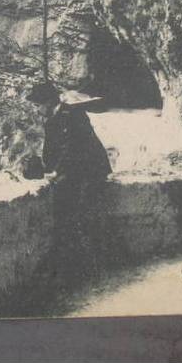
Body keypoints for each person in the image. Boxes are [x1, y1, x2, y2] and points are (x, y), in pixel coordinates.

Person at [25, 81, 112, 283]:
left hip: (90, 173)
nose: (37, 109)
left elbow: (73, 148)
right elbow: (55, 151)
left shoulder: (70, 115)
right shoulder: (56, 118)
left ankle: (84, 269)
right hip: (76, 172)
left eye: (38, 105)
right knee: (68, 213)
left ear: (48, 103)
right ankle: (74, 266)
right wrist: (49, 170)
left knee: (77, 215)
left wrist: (56, 172)